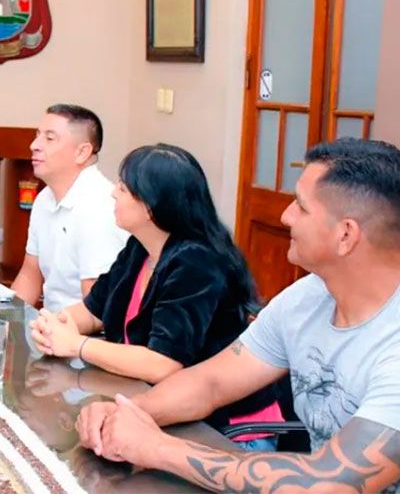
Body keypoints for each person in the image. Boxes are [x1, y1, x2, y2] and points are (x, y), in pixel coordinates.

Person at [76, 139, 400, 492]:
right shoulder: (307, 299)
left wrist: (155, 447)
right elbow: (211, 383)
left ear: (346, 234)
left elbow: (331, 484)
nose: (285, 216)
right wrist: (126, 412)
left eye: (302, 207)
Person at [30, 144, 278, 442]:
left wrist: (76, 345)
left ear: (151, 206)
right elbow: (93, 310)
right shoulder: (140, 247)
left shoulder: (197, 262)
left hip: (221, 430)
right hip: (151, 406)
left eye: (123, 188)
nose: (113, 193)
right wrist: (57, 325)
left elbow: (163, 363)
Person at [11, 104, 128, 312]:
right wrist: (4, 320)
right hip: (52, 324)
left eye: (49, 138)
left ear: (82, 152)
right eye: (37, 135)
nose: (34, 145)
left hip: (83, 329)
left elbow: (96, 310)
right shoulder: (44, 199)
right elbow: (30, 274)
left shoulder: (100, 208)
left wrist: (51, 327)